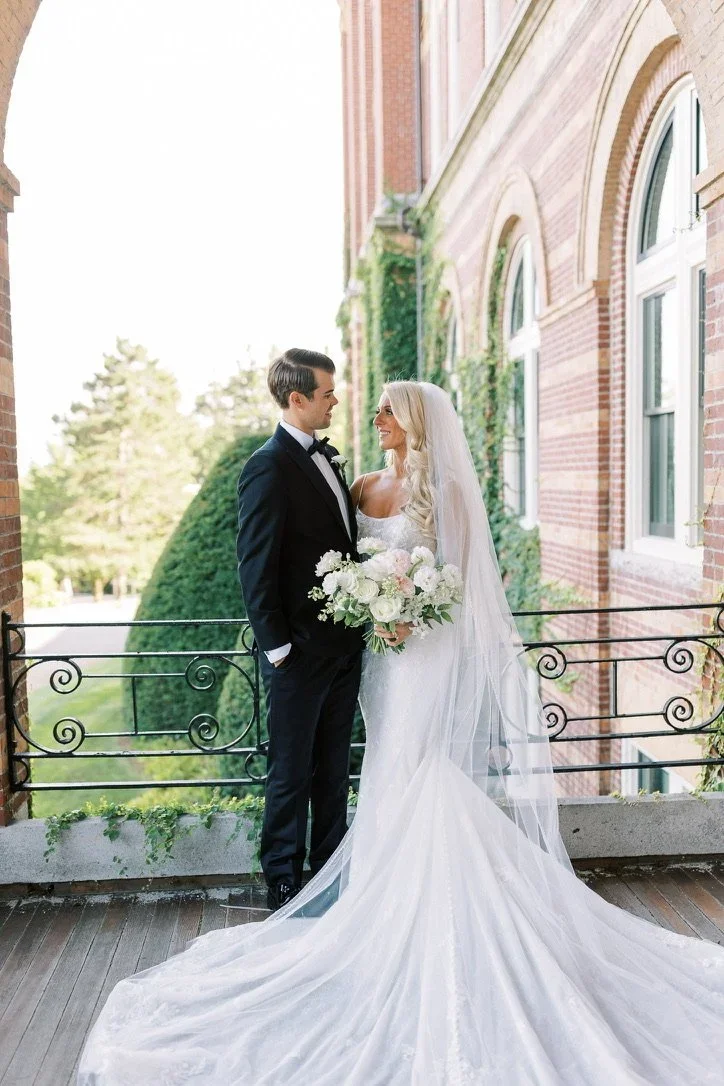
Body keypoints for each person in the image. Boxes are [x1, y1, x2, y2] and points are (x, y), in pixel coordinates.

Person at [78, 381, 724, 1085]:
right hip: (378, 658)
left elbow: (465, 578)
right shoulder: (358, 482)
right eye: (374, 408)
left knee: (423, 771)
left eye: (387, 409)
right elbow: (332, 559)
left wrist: (418, 609)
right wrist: (366, 606)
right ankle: (374, 910)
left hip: (424, 651)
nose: (374, 417)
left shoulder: (442, 491)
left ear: (413, 422)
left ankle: (430, 915)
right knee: (386, 768)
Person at [235, 347, 364, 911]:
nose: (335, 400)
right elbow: (255, 563)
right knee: (289, 771)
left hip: (342, 648)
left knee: (333, 768)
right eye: (327, 392)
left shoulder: (330, 458)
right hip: (297, 653)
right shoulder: (267, 465)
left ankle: (329, 865)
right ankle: (283, 879)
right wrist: (278, 648)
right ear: (297, 398)